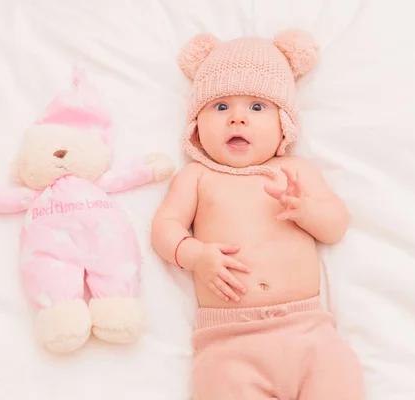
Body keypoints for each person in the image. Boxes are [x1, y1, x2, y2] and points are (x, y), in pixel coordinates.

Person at [151, 29, 365, 399]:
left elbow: (336, 226)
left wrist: (307, 210)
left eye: (256, 107)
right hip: (228, 342)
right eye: (221, 107)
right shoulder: (197, 177)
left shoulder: (294, 172)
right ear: (196, 125)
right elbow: (164, 227)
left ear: (285, 121)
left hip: (308, 331)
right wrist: (196, 255)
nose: (237, 119)